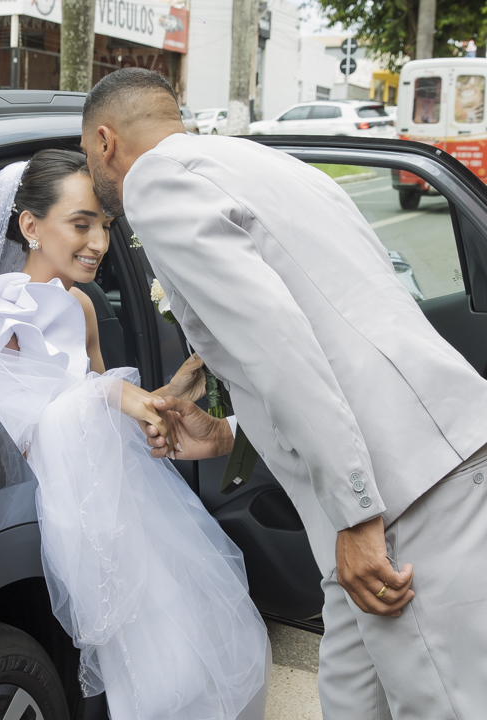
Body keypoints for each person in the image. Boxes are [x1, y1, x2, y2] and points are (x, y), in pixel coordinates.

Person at [81, 67, 487, 719]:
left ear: (105, 142)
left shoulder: (155, 181)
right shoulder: (272, 164)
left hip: (399, 496)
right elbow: (336, 331)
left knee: (442, 703)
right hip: (421, 461)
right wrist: (226, 434)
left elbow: (278, 345)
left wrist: (357, 516)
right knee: (352, 700)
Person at [0, 150, 269, 719]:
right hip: (68, 515)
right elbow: (26, 434)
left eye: (107, 226)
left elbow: (99, 416)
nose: (99, 243)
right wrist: (111, 393)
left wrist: (170, 393)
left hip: (125, 497)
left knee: (194, 657)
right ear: (31, 226)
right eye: (81, 223)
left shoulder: (82, 306)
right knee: (142, 673)